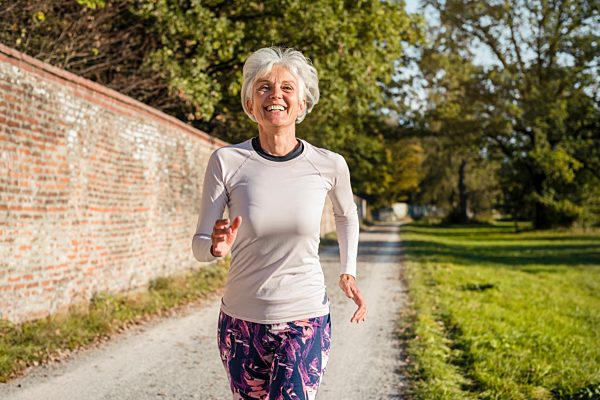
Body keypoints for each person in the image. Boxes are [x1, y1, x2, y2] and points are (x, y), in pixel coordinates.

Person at [192, 46, 367, 400]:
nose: (276, 95)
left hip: (306, 318)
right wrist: (215, 246)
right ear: (250, 104)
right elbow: (199, 245)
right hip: (241, 322)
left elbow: (347, 213)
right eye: (264, 88)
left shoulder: (329, 164)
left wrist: (348, 269)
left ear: (302, 105)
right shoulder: (227, 161)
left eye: (288, 88)